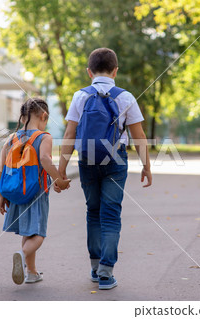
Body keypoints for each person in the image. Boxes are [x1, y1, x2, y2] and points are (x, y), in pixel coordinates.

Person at [57, 48, 152, 290]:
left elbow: (69, 135)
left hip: (87, 158)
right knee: (111, 215)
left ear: (89, 72)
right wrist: (146, 166)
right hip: (115, 160)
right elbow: (139, 136)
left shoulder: (80, 96)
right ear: (115, 71)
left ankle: (95, 266)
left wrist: (61, 171)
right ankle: (106, 274)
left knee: (93, 212)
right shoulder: (126, 97)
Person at [0, 98, 70, 285]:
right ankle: (21, 255)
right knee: (38, 233)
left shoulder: (11, 139)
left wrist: (1, 196)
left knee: (27, 232)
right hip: (36, 193)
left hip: (15, 193)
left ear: (22, 118)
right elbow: (45, 159)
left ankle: (31, 272)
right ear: (44, 116)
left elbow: (0, 170)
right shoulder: (43, 137)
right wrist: (59, 180)